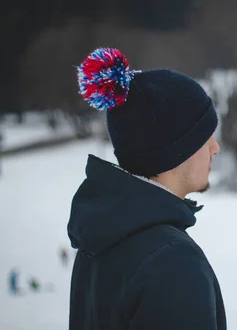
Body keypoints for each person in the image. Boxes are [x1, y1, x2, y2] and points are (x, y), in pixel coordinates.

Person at [67, 47, 226, 330]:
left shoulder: (100, 239)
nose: (215, 147)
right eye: (205, 135)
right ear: (176, 149)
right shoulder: (173, 262)